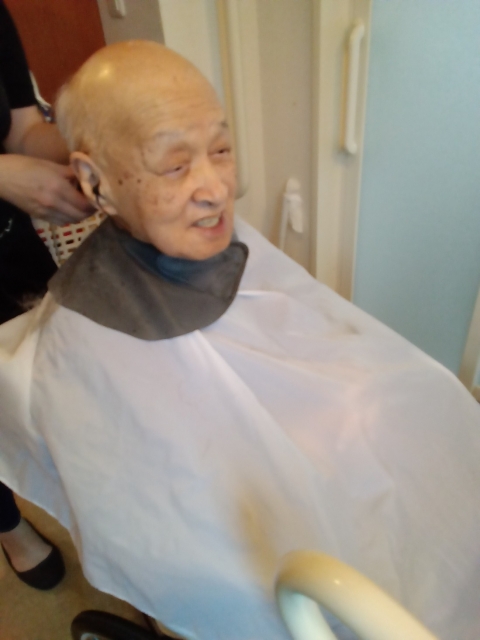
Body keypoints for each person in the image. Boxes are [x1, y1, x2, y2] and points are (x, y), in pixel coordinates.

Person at [0, 41, 480, 640]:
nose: (216, 188)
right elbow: (163, 537)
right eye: (175, 166)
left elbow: (320, 351)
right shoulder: (85, 337)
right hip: (287, 577)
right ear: (95, 182)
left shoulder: (230, 242)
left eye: (221, 150)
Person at [0, 0, 91, 590]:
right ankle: (9, 528)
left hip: (8, 249)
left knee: (36, 381)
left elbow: (24, 130)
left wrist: (97, 143)